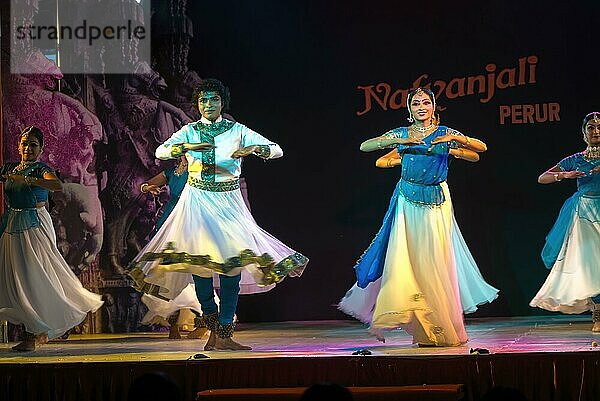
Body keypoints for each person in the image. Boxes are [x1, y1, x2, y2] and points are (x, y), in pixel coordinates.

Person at [129, 78, 308, 350]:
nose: (208, 105)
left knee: (232, 265)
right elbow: (160, 150)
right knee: (199, 265)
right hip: (197, 200)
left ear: (222, 102)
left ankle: (225, 332)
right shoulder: (189, 130)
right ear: (197, 104)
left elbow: (277, 149)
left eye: (213, 100)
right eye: (203, 100)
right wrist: (187, 148)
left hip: (228, 202)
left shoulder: (237, 130)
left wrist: (255, 149)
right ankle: (214, 331)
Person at [339, 87, 498, 347]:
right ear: (409, 109)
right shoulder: (402, 134)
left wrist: (453, 146)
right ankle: (420, 325)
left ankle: (442, 325)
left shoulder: (444, 133)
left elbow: (481, 148)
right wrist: (396, 145)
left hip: (437, 202)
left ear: (434, 106)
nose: (421, 106)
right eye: (416, 103)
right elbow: (365, 146)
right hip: (407, 201)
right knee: (407, 259)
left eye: (426, 102)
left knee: (434, 261)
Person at [0, 126, 103, 351]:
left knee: (33, 275)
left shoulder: (41, 169)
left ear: (41, 149)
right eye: (24, 144)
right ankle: (34, 331)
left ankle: (34, 332)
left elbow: (55, 185)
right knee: (15, 276)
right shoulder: (10, 167)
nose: (28, 148)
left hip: (34, 225)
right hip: (12, 224)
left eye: (33, 145)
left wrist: (29, 180)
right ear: (18, 145)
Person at [530, 112, 600, 331]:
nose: (596, 131)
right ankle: (597, 313)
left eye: (599, 127)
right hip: (584, 215)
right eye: (590, 128)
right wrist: (565, 176)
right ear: (583, 134)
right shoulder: (576, 159)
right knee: (592, 265)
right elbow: (542, 178)